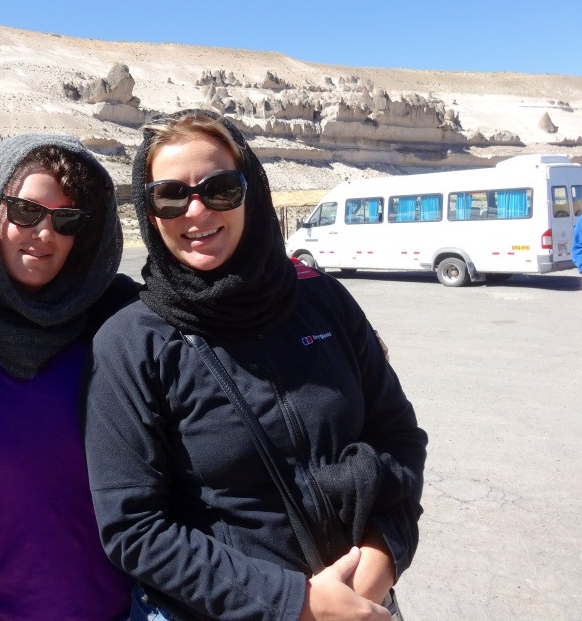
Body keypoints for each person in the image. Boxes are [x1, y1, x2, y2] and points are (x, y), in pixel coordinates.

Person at [83, 110, 427, 621]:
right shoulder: (132, 343)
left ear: (252, 192)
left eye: (220, 189)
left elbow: (398, 437)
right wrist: (298, 604)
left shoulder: (323, 301)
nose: (196, 211)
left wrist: (378, 564)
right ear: (150, 213)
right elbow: (134, 527)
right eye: (171, 195)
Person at [0, 135, 138, 621]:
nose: (44, 234)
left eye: (66, 220)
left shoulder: (121, 320)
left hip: (125, 611)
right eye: (26, 212)